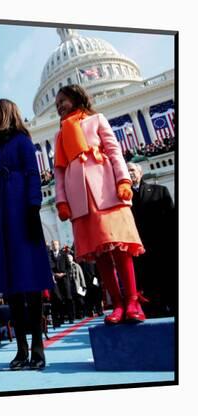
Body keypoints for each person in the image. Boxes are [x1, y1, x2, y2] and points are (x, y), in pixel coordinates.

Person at [53, 85, 145, 326]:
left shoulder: (96, 120)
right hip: (80, 198)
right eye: (57, 104)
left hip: (106, 189)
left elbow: (114, 151)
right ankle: (116, 303)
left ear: (75, 98)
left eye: (63, 100)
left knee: (121, 248)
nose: (60, 106)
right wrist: (61, 200)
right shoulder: (60, 135)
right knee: (100, 253)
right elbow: (59, 172)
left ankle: (133, 301)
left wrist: (123, 179)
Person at [0, 98, 54, 371]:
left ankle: (37, 347)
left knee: (30, 284)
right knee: (11, 287)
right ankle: (21, 348)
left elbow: (33, 175)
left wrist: (33, 207)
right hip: (1, 218)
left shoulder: (23, 141)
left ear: (5, 113)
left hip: (21, 215)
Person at [127, 162, 176, 317]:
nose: (130, 173)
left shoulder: (159, 191)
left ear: (140, 173)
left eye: (132, 170)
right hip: (140, 252)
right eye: (127, 171)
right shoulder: (123, 200)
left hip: (162, 248)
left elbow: (171, 221)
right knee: (148, 294)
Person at [49, 240, 75, 326]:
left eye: (56, 244)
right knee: (58, 299)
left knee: (68, 297)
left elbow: (68, 267)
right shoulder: (49, 255)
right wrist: (54, 274)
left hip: (64, 278)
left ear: (58, 245)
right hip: (55, 280)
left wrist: (64, 273)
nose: (54, 246)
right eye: (53, 244)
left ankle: (71, 317)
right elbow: (48, 268)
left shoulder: (63, 254)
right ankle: (61, 318)